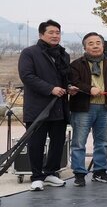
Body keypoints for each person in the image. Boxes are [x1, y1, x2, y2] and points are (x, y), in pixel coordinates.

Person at [18, 19, 73, 192]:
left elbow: (64, 78)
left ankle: (50, 173)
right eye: (51, 32)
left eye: (58, 32)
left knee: (58, 142)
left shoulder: (63, 54)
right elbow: (27, 76)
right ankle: (36, 176)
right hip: (38, 108)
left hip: (59, 107)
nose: (55, 35)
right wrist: (50, 89)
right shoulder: (29, 53)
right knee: (36, 143)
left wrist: (69, 87)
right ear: (41, 34)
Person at [68, 32, 107, 186]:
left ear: (103, 45)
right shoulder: (76, 64)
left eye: (98, 43)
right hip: (82, 108)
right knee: (79, 142)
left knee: (103, 142)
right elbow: (74, 82)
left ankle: (100, 171)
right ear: (85, 47)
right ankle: (79, 173)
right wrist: (89, 89)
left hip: (104, 108)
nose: (95, 46)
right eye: (91, 43)